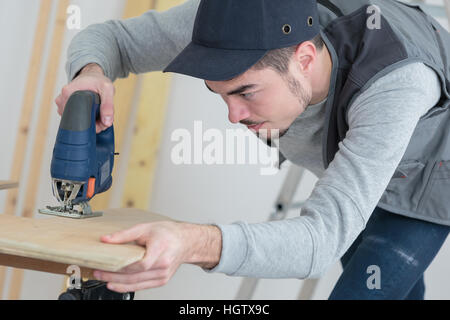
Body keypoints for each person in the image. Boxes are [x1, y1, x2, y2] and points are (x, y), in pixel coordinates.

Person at [56, 0, 450, 299]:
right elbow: (113, 40)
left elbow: (320, 240)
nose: (233, 116)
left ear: (305, 58)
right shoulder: (230, 22)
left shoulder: (396, 81)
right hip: (359, 157)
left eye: (246, 92)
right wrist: (90, 75)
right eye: (220, 94)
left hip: (430, 171)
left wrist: (193, 242)